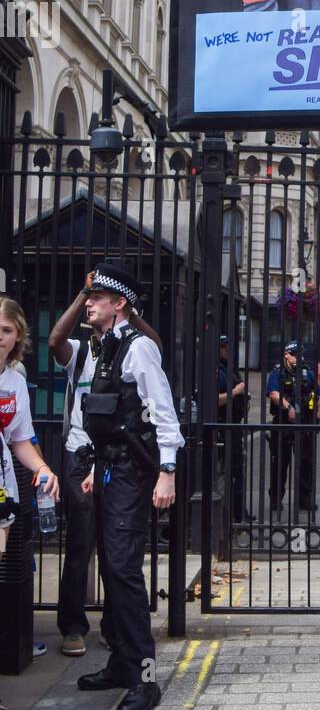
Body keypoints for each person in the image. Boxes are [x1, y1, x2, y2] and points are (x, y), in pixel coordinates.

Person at [70, 263, 184, 710]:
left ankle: (144, 677)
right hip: (107, 470)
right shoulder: (102, 348)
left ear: (119, 304)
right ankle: (120, 663)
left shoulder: (139, 350)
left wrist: (168, 472)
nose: (89, 302)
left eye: (96, 297)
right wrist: (91, 464)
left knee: (123, 570)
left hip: (134, 474)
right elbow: (97, 415)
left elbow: (164, 412)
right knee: (112, 568)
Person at [48, 276, 162, 658]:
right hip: (81, 455)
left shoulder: (129, 348)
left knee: (118, 551)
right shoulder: (80, 352)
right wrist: (85, 292)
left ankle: (116, 631)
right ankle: (73, 626)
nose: (92, 305)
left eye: (100, 299)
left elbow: (153, 344)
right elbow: (54, 342)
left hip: (112, 459)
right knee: (82, 542)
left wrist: (126, 306)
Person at [0, 298, 60, 710]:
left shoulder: (14, 383)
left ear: (17, 336)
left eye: (5, 331)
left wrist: (42, 467)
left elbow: (20, 439)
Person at [266, 341, 318, 517]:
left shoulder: (307, 371)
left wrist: (316, 419)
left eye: (300, 354)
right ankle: (276, 498)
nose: (299, 358)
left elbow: (316, 395)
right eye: (295, 354)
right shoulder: (277, 372)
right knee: (280, 462)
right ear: (286, 354)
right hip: (283, 424)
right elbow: (273, 394)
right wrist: (288, 408)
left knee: (305, 463)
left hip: (304, 424)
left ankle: (305, 498)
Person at [216, 335, 249, 521]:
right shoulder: (215, 370)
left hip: (234, 425)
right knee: (229, 472)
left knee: (236, 471)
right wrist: (236, 392)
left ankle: (239, 513)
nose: (227, 349)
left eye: (228, 346)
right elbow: (213, 400)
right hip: (222, 427)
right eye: (223, 347)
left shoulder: (229, 368)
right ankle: (232, 515)